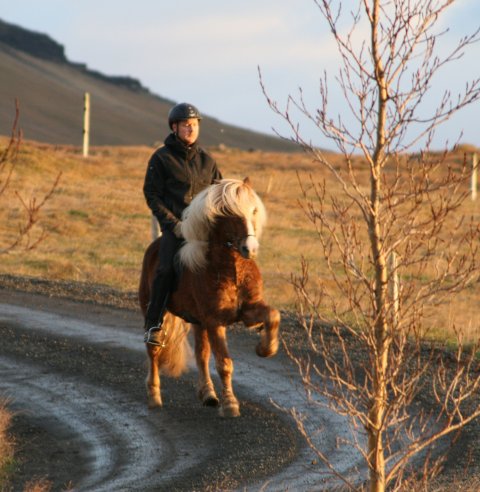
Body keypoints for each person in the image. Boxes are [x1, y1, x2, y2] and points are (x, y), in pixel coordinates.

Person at [143, 102, 222, 345]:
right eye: (186, 125)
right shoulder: (161, 158)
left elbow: (218, 194)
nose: (191, 129)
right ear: (174, 127)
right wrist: (173, 224)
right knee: (164, 269)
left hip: (203, 231)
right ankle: (154, 324)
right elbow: (152, 194)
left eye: (195, 125)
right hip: (175, 231)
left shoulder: (208, 161)